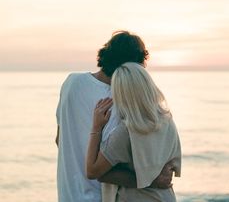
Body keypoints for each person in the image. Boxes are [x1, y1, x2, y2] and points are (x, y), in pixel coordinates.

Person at [56, 31, 174, 202]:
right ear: (135, 66)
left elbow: (60, 140)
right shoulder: (123, 102)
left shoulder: (71, 83)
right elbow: (107, 170)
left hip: (67, 194)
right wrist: (152, 181)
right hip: (102, 198)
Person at [86, 62, 181, 202]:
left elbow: (93, 171)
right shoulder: (167, 122)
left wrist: (96, 127)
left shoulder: (127, 132)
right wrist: (152, 179)